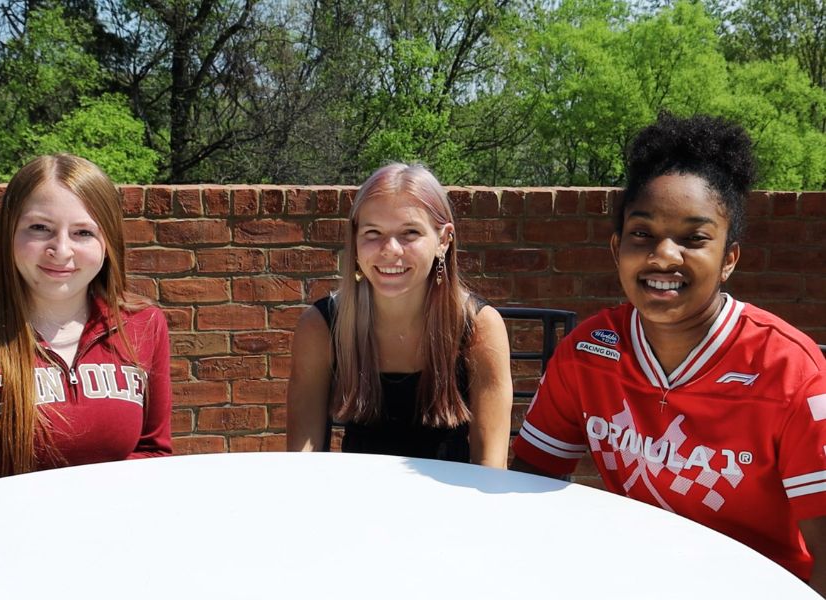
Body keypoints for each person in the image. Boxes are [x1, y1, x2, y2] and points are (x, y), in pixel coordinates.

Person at [510, 113, 826, 593]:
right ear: (616, 247)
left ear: (729, 259)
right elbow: (529, 487)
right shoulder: (588, 353)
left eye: (694, 238)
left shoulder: (792, 374)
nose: (664, 255)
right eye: (642, 234)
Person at [0, 154, 172, 492]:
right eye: (40, 228)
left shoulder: (143, 324)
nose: (61, 250)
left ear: (108, 242)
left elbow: (152, 452)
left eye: (83, 232)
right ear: (9, 231)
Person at [287, 163, 512, 467]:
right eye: (373, 232)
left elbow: (491, 468)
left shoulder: (479, 327)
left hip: (453, 496)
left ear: (443, 240)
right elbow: (302, 461)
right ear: (354, 239)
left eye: (410, 233)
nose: (390, 249)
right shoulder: (321, 326)